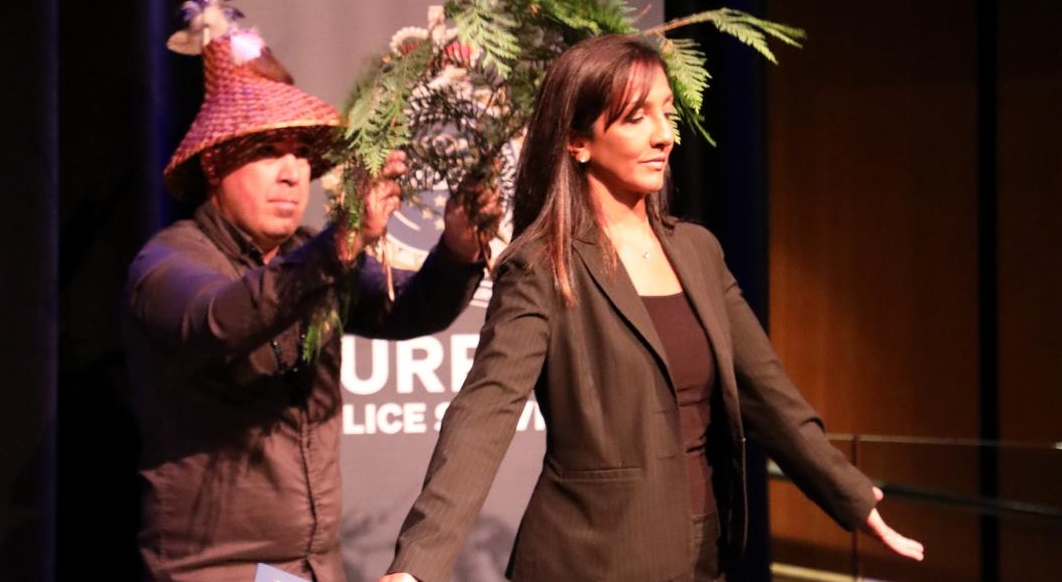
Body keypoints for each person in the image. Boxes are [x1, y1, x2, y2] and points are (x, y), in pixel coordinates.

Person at [379, 35, 924, 582]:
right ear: (577, 141)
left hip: (702, 556)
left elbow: (768, 394)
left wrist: (849, 494)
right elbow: (484, 414)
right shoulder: (543, 267)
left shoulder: (697, 251)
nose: (664, 134)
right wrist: (416, 565)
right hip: (592, 561)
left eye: (666, 112)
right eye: (636, 118)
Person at [123, 27, 496, 582]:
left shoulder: (309, 251)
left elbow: (408, 310)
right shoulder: (167, 264)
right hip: (211, 570)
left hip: (312, 569)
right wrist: (342, 243)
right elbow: (222, 319)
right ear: (214, 166)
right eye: (268, 152)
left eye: (301, 154)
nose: (292, 172)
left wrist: (460, 249)